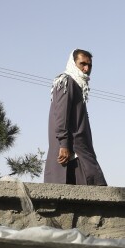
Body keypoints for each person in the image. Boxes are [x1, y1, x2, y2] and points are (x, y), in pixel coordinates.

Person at [43, 49, 106, 185]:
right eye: (82, 64)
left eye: (89, 66)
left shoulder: (79, 85)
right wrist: (64, 145)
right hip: (72, 151)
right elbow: (61, 115)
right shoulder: (66, 81)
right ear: (73, 63)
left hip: (81, 149)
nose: (86, 69)